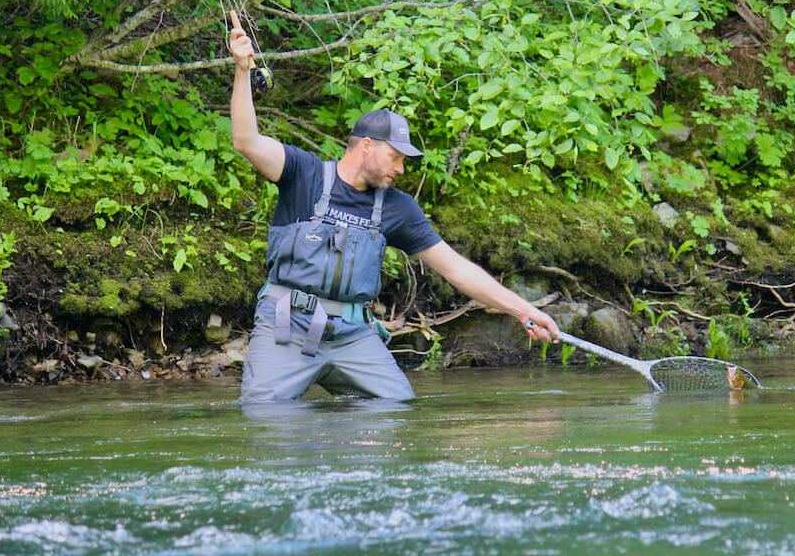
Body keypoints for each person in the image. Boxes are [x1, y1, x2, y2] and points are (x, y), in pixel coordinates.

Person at [228, 20, 560, 402]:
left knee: (396, 411)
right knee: (264, 418)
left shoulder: (398, 208)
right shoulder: (302, 172)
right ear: (366, 146)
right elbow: (246, 140)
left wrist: (522, 311)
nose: (400, 169)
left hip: (353, 338)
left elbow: (456, 269)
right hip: (287, 327)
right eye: (396, 157)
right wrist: (242, 71)